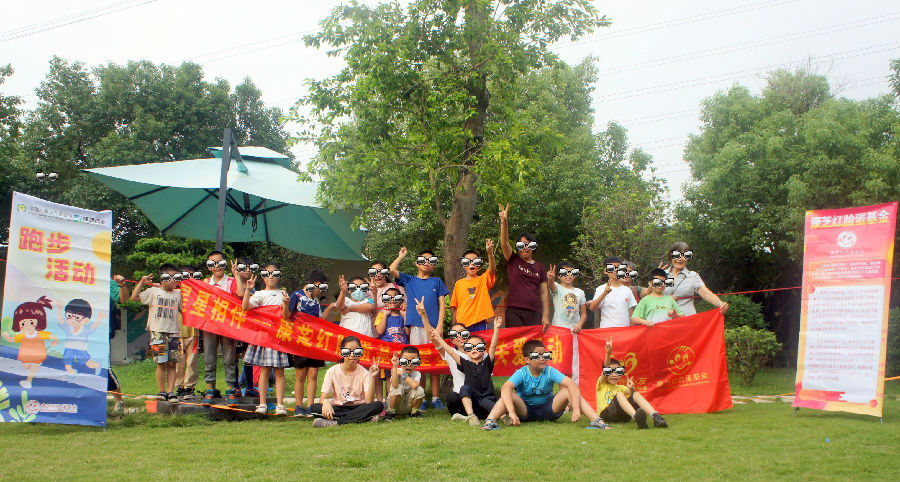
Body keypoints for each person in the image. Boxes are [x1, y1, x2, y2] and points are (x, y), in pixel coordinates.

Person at [481, 339, 610, 430]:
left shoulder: (549, 371)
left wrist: (576, 409)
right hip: (526, 411)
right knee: (508, 394)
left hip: (549, 410)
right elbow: (506, 388)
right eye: (537, 356)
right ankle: (490, 421)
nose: (542, 358)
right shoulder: (522, 373)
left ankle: (597, 421)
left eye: (544, 355)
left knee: (567, 391)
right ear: (527, 360)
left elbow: (571, 384)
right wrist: (512, 412)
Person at [389, 246, 449, 411]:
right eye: (423, 260)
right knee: (418, 362)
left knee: (435, 362)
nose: (427, 263)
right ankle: (420, 397)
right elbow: (392, 270)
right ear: (417, 263)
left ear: (434, 265)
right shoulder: (409, 280)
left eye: (431, 261)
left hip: (433, 327)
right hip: (415, 326)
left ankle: (435, 398)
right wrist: (401, 256)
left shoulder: (437, 281)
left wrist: (440, 325)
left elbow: (442, 305)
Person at [428, 314, 502, 426]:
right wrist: (438, 338)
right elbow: (450, 351)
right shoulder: (463, 362)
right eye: (470, 348)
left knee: (487, 402)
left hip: (484, 400)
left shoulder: (486, 359)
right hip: (466, 400)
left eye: (478, 347)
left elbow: (493, 346)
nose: (474, 349)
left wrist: (496, 328)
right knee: (460, 392)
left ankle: (502, 416)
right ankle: (470, 416)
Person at [241, 263, 291, 415]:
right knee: (264, 370)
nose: (271, 277)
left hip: (279, 337)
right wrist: (248, 290)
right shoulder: (259, 294)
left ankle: (280, 405)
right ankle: (262, 404)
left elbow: (286, 316)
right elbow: (245, 307)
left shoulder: (283, 293)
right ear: (263, 277)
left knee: (280, 371)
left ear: (279, 276)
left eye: (275, 274)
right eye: (267, 274)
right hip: (264, 337)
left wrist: (286, 304)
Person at [130, 264, 183, 400]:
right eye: (170, 277)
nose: (174, 280)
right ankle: (162, 391)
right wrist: (142, 283)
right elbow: (134, 297)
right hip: (157, 333)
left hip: (174, 333)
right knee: (161, 362)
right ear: (162, 278)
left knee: (172, 363)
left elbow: (184, 310)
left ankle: (171, 392)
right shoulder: (153, 291)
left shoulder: (178, 293)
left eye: (177, 277)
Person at [309, 336, 384, 427]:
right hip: (339, 407)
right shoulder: (332, 371)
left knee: (378, 405)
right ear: (342, 353)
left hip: (359, 407)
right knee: (314, 408)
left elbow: (369, 401)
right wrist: (325, 402)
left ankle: (336, 423)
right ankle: (364, 418)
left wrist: (372, 377)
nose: (352, 355)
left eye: (356, 351)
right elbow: (323, 398)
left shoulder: (365, 373)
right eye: (347, 351)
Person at [284, 269, 329, 417]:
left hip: (315, 342)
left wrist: (331, 308)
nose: (321, 291)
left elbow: (320, 320)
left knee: (313, 373)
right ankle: (299, 406)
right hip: (299, 341)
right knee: (300, 373)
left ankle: (310, 406)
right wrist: (285, 304)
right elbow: (286, 315)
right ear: (316, 284)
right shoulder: (296, 296)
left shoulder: (316, 301)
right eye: (322, 287)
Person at [595, 337, 667, 429]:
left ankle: (656, 417)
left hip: (622, 416)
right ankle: (636, 417)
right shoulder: (601, 384)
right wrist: (608, 353)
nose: (614, 374)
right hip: (606, 415)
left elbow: (633, 396)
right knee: (619, 394)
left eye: (618, 371)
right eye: (610, 372)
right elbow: (606, 369)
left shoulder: (620, 387)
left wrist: (632, 388)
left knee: (635, 394)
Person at [498, 203, 549, 329]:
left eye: (529, 245)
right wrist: (504, 222)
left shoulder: (540, 267)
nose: (525, 248)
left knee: (533, 342)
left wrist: (545, 315)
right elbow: (504, 243)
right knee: (516, 341)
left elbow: (544, 292)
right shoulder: (513, 259)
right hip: (514, 311)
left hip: (535, 312)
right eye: (521, 245)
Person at [201, 250, 239, 406]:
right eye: (213, 263)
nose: (217, 266)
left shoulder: (231, 281)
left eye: (220, 263)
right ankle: (209, 390)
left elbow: (240, 293)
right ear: (209, 266)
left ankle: (230, 391)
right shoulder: (205, 282)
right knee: (209, 358)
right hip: (210, 326)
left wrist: (236, 275)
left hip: (228, 327)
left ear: (225, 264)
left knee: (229, 359)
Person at [653, 242, 730, 316]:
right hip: (663, 321)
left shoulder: (693, 276)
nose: (680, 258)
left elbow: (705, 292)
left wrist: (720, 303)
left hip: (687, 321)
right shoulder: (660, 275)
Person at [2, 296, 58, 389]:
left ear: (38, 322)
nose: (27, 326)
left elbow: (52, 336)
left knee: (33, 368)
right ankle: (30, 373)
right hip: (25, 355)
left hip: (38, 354)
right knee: (26, 366)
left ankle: (29, 381)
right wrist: (6, 337)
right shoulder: (22, 335)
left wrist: (54, 341)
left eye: (31, 322)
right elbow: (12, 339)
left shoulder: (40, 334)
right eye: (23, 323)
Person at [450, 239, 497, 332]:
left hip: (480, 321)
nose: (472, 264)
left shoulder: (483, 280)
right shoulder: (458, 284)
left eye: (476, 261)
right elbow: (455, 307)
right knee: (464, 342)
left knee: (480, 342)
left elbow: (492, 270)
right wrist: (454, 325)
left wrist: (490, 253)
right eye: (467, 261)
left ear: (479, 264)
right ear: (463, 264)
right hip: (462, 324)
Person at [428, 322, 469, 417]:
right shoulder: (451, 353)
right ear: (452, 340)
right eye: (455, 334)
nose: (459, 336)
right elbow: (433, 338)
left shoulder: (478, 353)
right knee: (452, 397)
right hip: (459, 398)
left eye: (462, 332)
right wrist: (423, 316)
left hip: (476, 396)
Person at [587, 256, 637, 328]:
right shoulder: (601, 289)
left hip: (624, 330)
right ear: (605, 271)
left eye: (618, 267)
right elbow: (592, 308)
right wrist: (604, 293)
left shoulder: (627, 290)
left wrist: (632, 331)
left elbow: (631, 314)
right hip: (607, 330)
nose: (615, 270)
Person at [174, 264, 200, 399]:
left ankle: (189, 387)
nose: (188, 278)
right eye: (185, 275)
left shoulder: (198, 291)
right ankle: (179, 386)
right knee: (179, 362)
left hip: (193, 332)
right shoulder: (175, 291)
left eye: (191, 275)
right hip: (177, 332)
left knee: (191, 361)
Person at [57, 298, 102, 375]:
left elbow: (93, 326)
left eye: (77, 317)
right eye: (69, 316)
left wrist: (99, 318)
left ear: (86, 320)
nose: (73, 319)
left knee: (86, 362)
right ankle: (70, 372)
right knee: (67, 360)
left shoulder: (85, 329)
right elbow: (61, 321)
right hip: (69, 347)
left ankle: (97, 365)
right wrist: (59, 309)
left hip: (81, 349)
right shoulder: (68, 328)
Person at [384, 345, 426, 421]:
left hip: (408, 406)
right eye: (404, 361)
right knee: (398, 388)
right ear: (400, 362)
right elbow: (394, 385)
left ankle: (414, 412)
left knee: (420, 390)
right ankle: (390, 413)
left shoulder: (417, 373)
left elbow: (415, 386)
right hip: (396, 405)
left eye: (414, 362)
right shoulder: (397, 370)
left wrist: (403, 374)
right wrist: (395, 366)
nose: (409, 364)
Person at [547, 262, 587, 333]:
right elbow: (551, 286)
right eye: (564, 272)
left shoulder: (580, 292)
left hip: (575, 330)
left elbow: (584, 313)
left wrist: (579, 325)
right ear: (558, 276)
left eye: (571, 272)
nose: (568, 274)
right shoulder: (557, 287)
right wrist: (550, 279)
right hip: (558, 329)